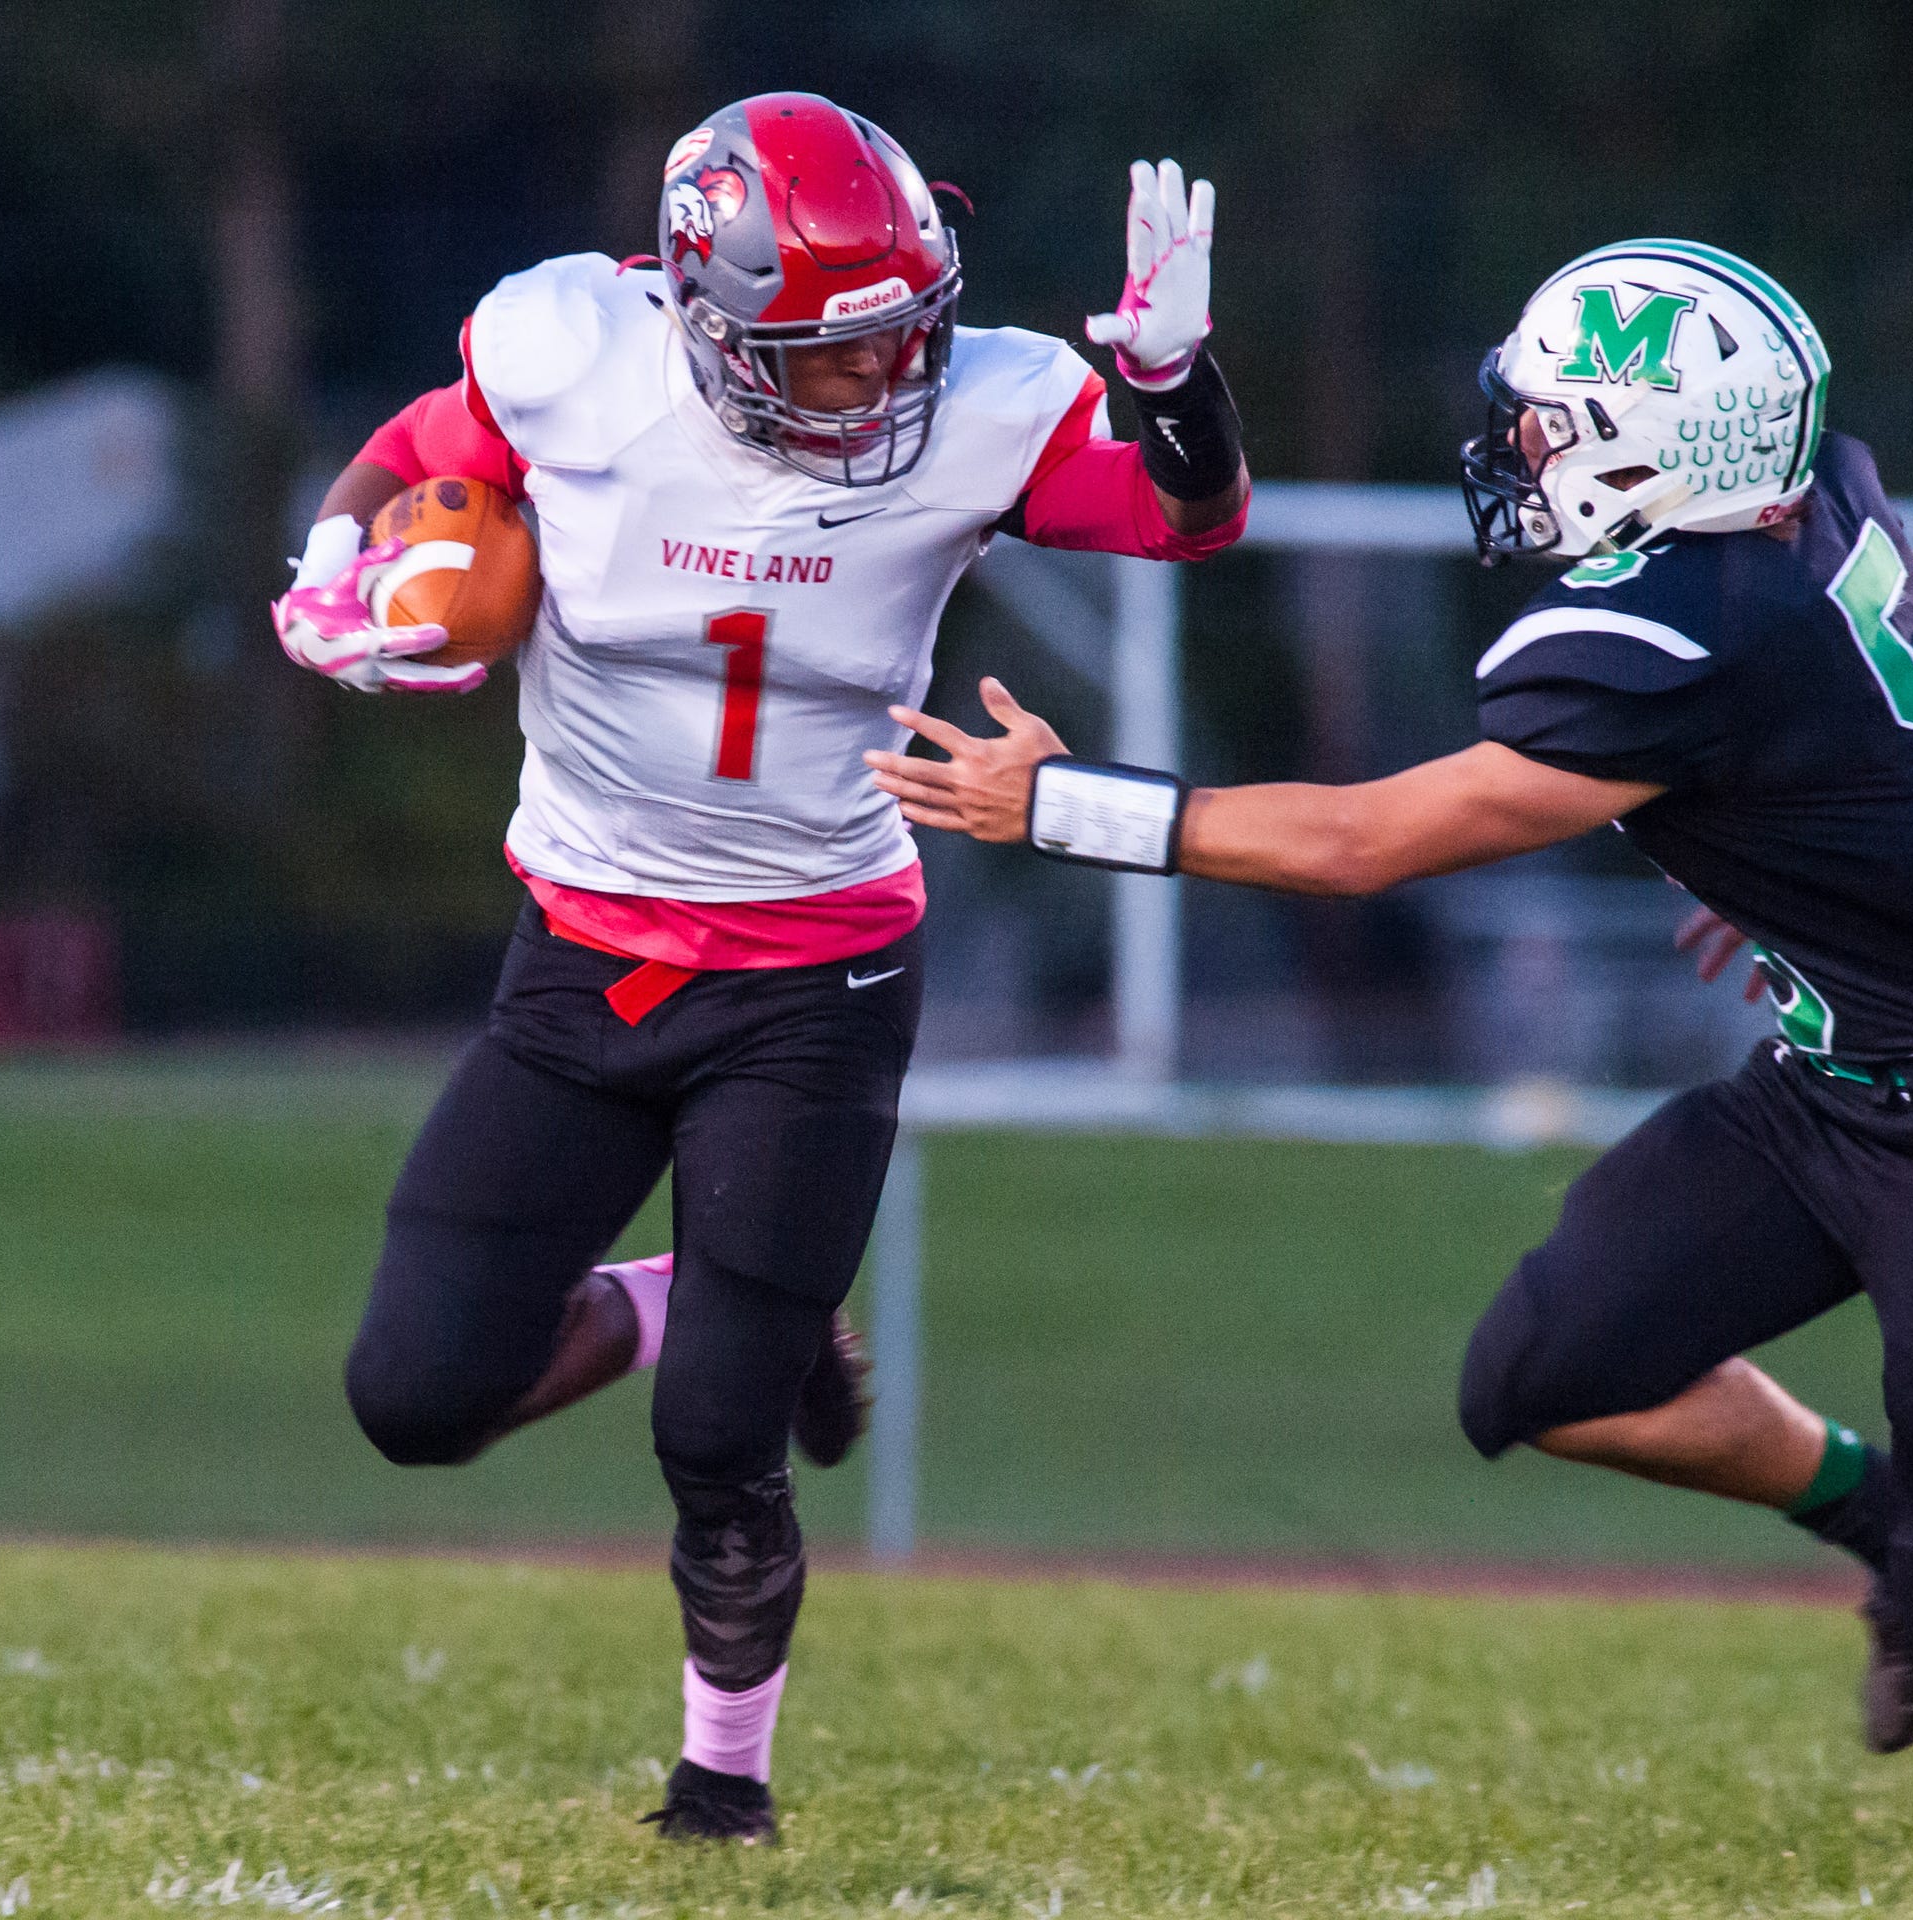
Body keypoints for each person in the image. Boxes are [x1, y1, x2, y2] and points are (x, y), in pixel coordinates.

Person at [863, 238, 1913, 1869]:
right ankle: (1881, 1518)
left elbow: (1362, 843)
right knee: (1546, 1377)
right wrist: (1803, 850)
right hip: (1836, 1088)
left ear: (1661, 448)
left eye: (1551, 421)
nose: (1519, 445)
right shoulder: (1816, 494)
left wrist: (1062, 806)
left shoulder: (1685, 633)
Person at [269, 93, 1249, 1843]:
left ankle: (723, 1787)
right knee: (412, 1399)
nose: (884, 377)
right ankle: (684, 1297)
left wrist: (1174, 387)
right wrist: (334, 570)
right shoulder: (573, 352)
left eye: (903, 333)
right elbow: (415, 445)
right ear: (705, 320)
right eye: (832, 349)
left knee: (722, 1437)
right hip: (584, 959)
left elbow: (1189, 520)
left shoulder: (980, 409)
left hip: (817, 981)